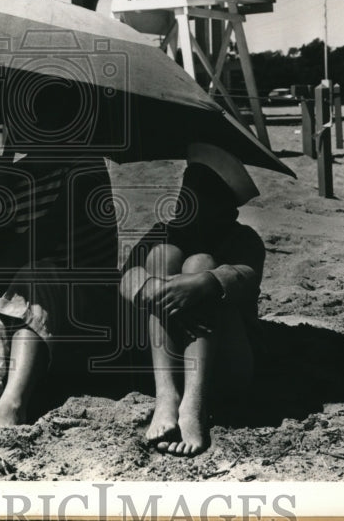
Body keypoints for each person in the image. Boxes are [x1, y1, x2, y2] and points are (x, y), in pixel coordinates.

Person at [0, 83, 120, 433]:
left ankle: (13, 404)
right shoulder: (18, 179)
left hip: (88, 309)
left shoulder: (84, 167)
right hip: (31, 313)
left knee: (34, 275)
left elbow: (46, 234)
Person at [119, 142, 265, 457]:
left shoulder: (244, 240)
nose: (188, 207)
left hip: (225, 367)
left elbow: (244, 276)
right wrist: (154, 288)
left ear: (228, 211)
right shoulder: (164, 233)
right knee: (161, 256)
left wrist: (201, 284)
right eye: (185, 195)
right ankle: (167, 396)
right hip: (163, 363)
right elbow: (127, 277)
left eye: (203, 199)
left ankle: (193, 405)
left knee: (200, 264)